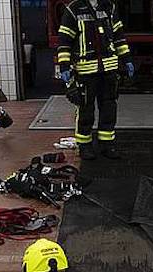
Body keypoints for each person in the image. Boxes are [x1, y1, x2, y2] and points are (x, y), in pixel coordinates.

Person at [57, 0, 134, 160]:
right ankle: (84, 145)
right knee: (85, 111)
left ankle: (107, 144)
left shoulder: (109, 7)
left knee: (109, 109)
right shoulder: (73, 9)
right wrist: (64, 65)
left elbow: (118, 36)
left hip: (109, 70)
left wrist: (126, 58)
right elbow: (64, 40)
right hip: (85, 71)